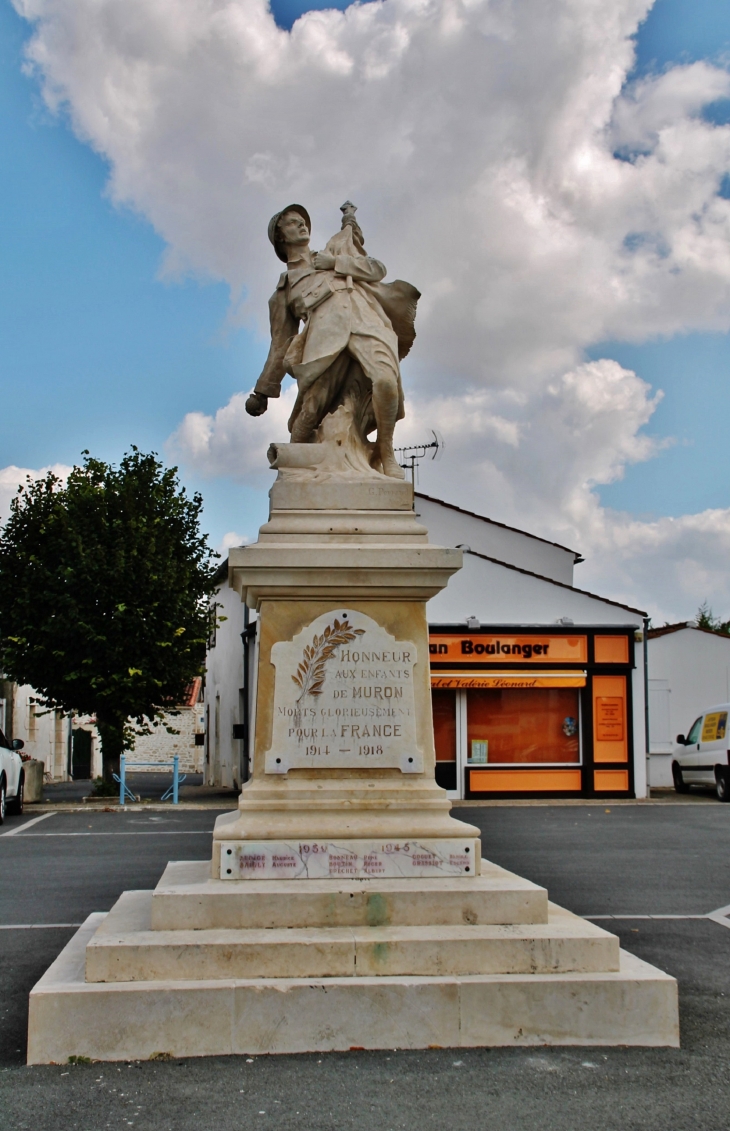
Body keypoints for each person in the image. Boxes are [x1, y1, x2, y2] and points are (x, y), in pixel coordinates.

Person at [245, 202, 419, 479]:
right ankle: (292, 471)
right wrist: (263, 391)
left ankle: (386, 452)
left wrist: (336, 262)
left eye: (302, 220)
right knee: (309, 414)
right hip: (324, 342)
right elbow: (280, 343)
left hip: (366, 323)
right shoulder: (284, 289)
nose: (301, 224)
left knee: (386, 382)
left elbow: (377, 269)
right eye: (292, 222)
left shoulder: (334, 252)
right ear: (280, 237)